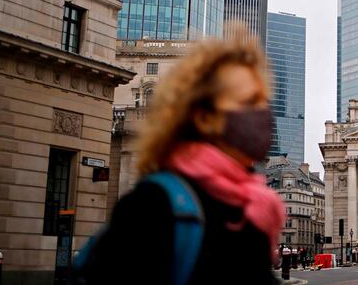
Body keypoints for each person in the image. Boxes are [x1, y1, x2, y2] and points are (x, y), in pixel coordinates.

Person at [73, 33, 285, 284]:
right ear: (204, 116)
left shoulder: (252, 208)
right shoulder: (153, 206)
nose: (262, 114)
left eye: (263, 101)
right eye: (249, 102)